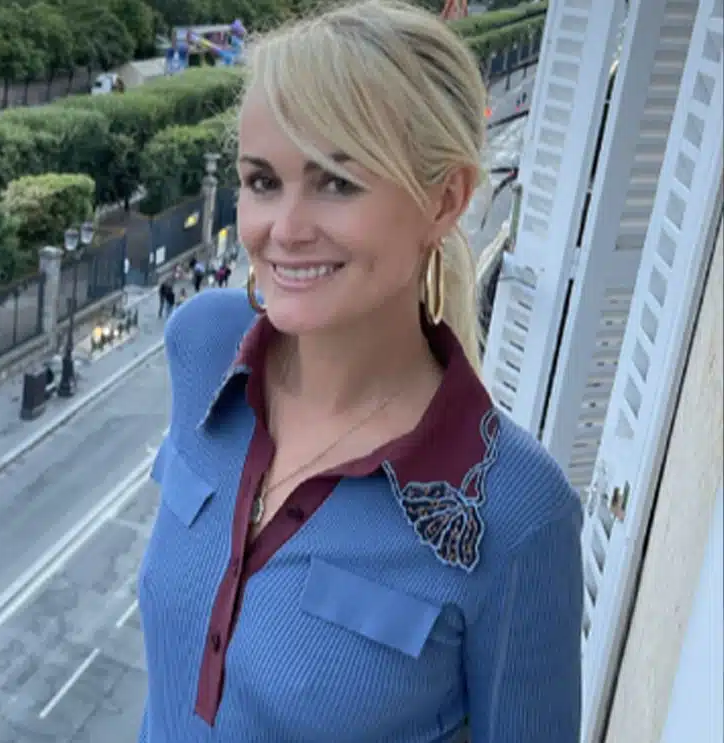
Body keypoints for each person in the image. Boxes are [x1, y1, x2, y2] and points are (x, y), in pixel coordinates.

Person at [137, 2, 582, 742]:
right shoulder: (203, 346)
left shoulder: (517, 513)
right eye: (263, 181)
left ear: (444, 200)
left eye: (337, 183)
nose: (284, 230)